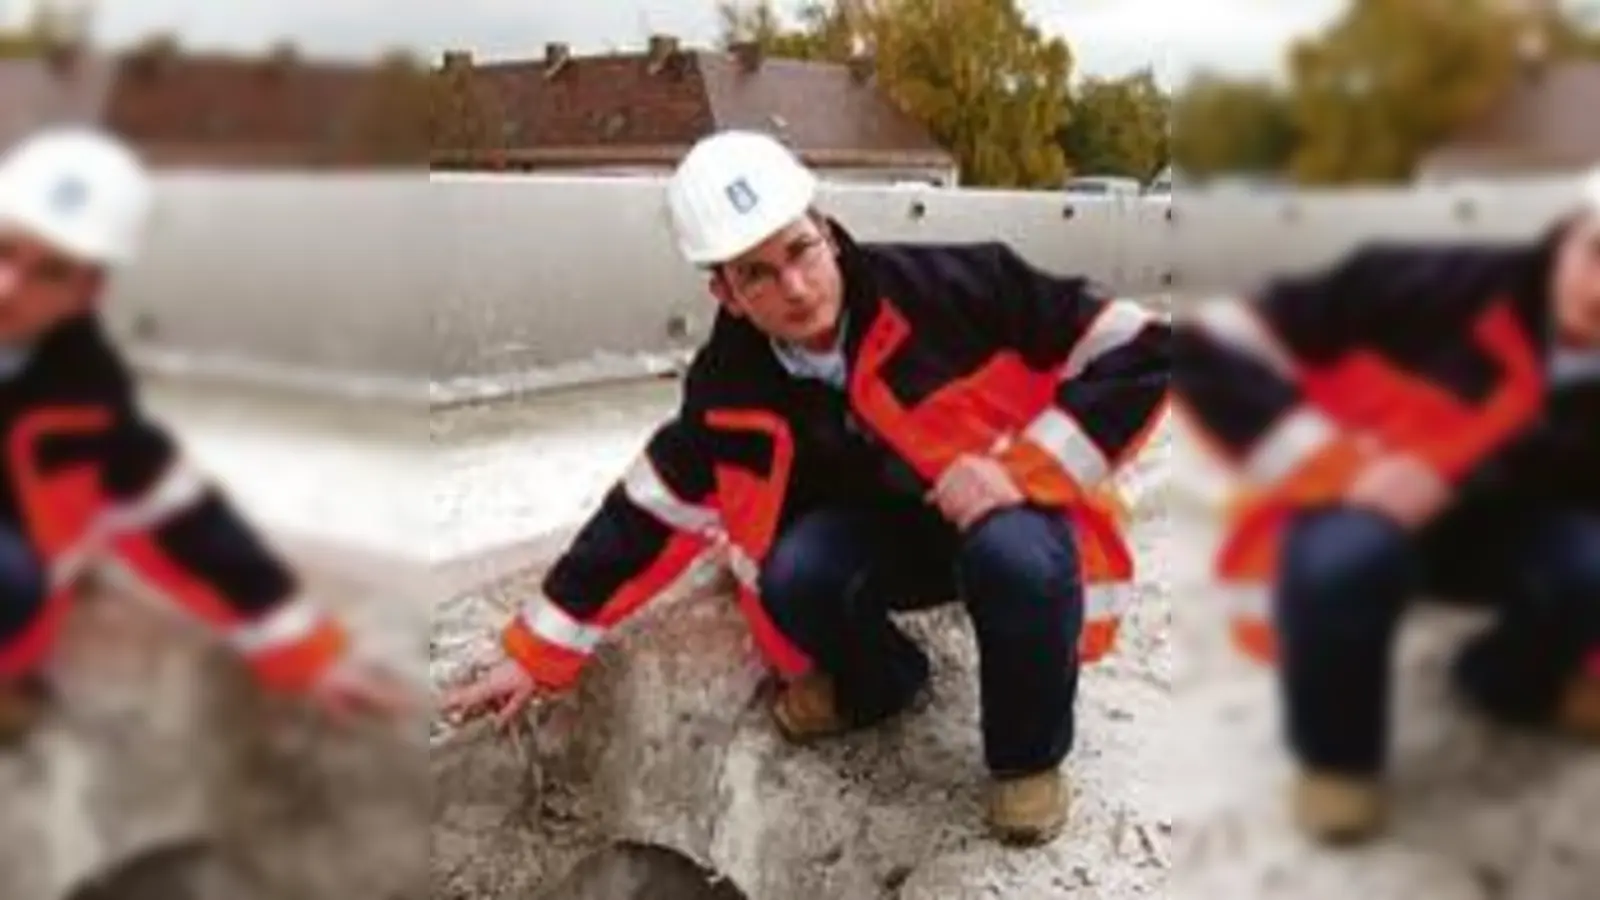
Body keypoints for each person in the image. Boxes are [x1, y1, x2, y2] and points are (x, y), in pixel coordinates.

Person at [441, 130, 1169, 845]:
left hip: (1000, 516)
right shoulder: (730, 385)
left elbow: (1144, 350)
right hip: (890, 541)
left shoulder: (951, 288)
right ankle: (879, 685)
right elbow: (647, 512)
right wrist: (535, 651)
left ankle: (1026, 760)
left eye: (800, 251)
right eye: (757, 274)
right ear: (726, 293)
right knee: (795, 572)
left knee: (1016, 559)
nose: (794, 287)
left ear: (826, 229)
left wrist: (1020, 468)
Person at [1174, 168, 1600, 845]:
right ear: (1567, 235)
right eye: (1597, 254)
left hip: (1503, 525)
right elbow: (1212, 345)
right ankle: (1338, 763)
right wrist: (1344, 466)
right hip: (1360, 504)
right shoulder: (1427, 283)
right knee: (1345, 562)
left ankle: (1505, 682)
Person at [0, 126, 415, 743]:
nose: (7, 288)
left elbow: (181, 518)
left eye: (50, 272)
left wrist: (305, 649)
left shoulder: (86, 400)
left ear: (89, 290)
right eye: (3, 251)